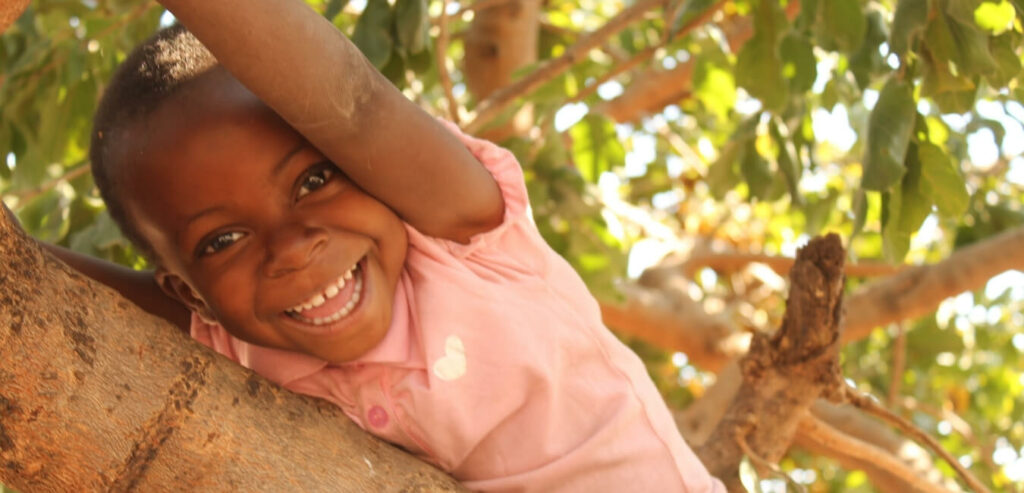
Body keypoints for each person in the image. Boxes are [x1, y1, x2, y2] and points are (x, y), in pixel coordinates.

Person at [20, 0, 726, 490]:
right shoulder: (235, 338)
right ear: (188, 290)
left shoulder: (460, 234)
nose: (293, 247)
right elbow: (43, 290)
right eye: (223, 239)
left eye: (315, 179)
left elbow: (354, 103)